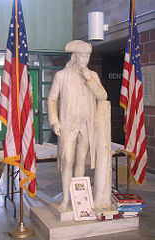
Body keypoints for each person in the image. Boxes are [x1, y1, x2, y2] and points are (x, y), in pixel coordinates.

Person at [47, 40, 107, 212]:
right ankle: (65, 199)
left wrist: (89, 80)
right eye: (83, 56)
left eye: (88, 56)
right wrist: (54, 121)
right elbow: (52, 99)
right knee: (67, 160)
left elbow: (102, 96)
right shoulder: (62, 76)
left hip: (86, 126)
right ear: (75, 57)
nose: (86, 60)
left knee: (81, 161)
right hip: (68, 125)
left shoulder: (92, 75)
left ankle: (78, 198)